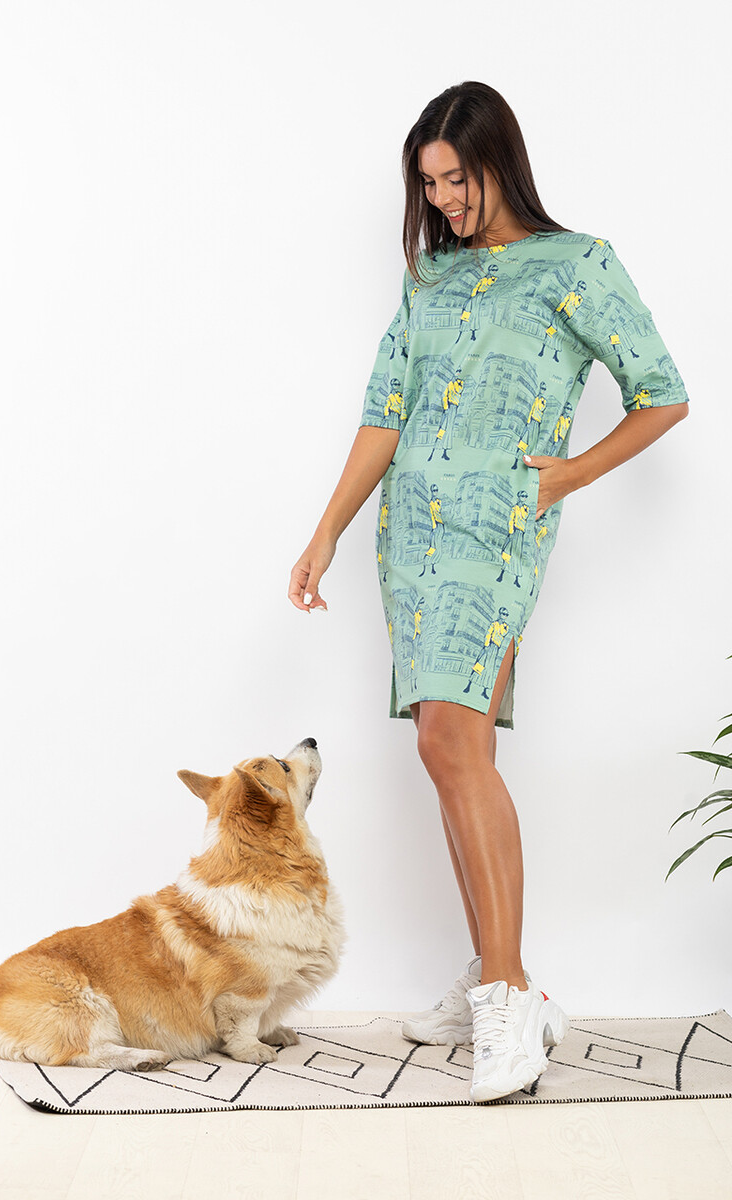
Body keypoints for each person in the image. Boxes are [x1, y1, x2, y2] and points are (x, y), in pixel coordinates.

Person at [287, 80, 689, 1103]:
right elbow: (386, 411)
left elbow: (662, 394)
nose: (444, 201)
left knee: (450, 746)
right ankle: (496, 977)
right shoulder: (428, 277)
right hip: (412, 536)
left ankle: (508, 998)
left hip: (497, 530)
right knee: (449, 750)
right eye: (428, 185)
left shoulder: (576, 264)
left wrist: (569, 475)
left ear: (498, 160)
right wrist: (326, 532)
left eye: (456, 179)